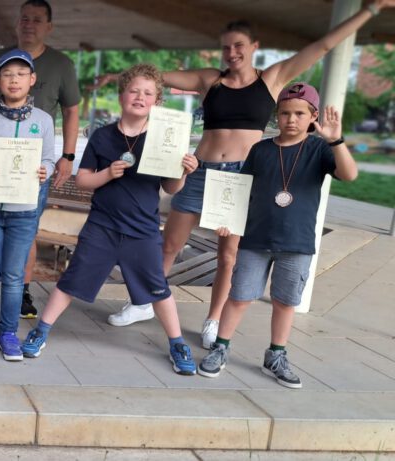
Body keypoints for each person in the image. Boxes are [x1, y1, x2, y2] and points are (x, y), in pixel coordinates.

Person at [98, 0, 393, 350]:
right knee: (170, 245)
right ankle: (144, 301)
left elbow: (323, 46)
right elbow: (152, 78)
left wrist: (371, 10)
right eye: (225, 47)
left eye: (239, 45)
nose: (232, 53)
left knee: (228, 255)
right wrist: (119, 77)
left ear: (254, 46)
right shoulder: (211, 80)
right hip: (200, 169)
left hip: (241, 178)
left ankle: (213, 320)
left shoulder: (272, 79)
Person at [19, 64, 200, 376]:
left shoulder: (163, 139)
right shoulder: (103, 136)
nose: (140, 97)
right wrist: (107, 174)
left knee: (158, 288)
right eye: (134, 91)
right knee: (71, 280)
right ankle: (41, 330)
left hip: (142, 230)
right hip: (102, 226)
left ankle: (177, 343)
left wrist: (183, 172)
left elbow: (170, 188)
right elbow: (84, 180)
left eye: (148, 93)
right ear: (121, 96)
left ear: (157, 102)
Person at [198, 83, 357, 388]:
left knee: (285, 302)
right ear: (276, 115)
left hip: (296, 243)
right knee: (239, 296)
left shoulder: (319, 149)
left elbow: (349, 175)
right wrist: (225, 220)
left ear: (313, 116)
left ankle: (276, 355)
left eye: (299, 113)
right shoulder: (261, 150)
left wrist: (336, 140)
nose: (291, 119)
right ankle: (221, 347)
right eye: (285, 113)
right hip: (255, 240)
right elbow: (241, 191)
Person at [0, 0, 80, 318]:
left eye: (37, 20)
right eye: (24, 18)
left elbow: (71, 111)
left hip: (31, 170)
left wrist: (66, 157)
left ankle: (22, 290)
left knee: (26, 230)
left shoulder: (62, 64)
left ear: (49, 26)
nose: (29, 24)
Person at [0, 50, 58, 361]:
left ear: (32, 80)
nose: (14, 80)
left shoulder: (43, 121)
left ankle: (8, 333)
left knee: (15, 276)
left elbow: (49, 159)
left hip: (24, 211)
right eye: (7, 74)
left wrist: (46, 170)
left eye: (21, 74)